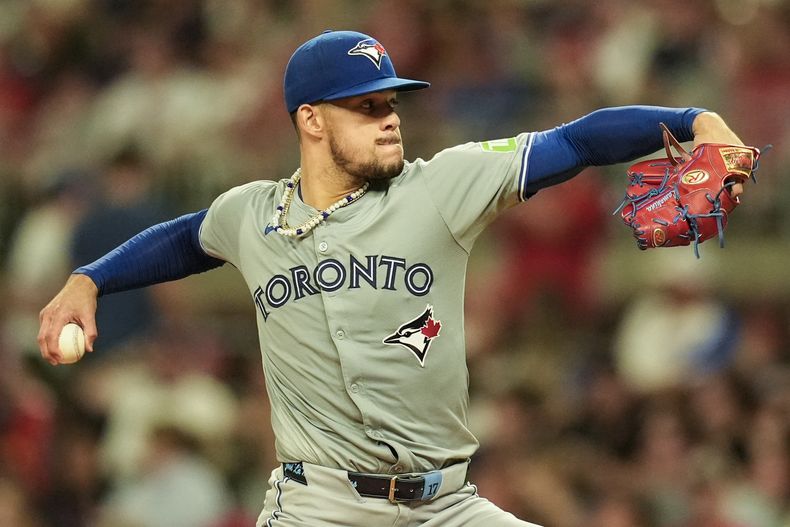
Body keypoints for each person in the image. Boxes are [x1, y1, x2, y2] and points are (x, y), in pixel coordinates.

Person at [38, 30, 751, 527]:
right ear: (311, 121)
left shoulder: (441, 186)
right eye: (367, 106)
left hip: (446, 504)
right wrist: (89, 279)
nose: (389, 120)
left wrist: (693, 119)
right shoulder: (252, 214)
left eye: (391, 102)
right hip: (319, 506)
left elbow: (576, 141)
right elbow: (184, 239)